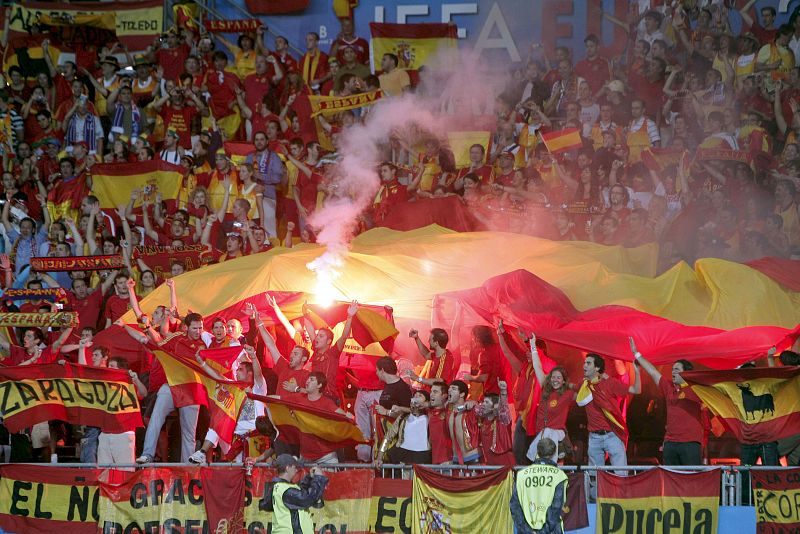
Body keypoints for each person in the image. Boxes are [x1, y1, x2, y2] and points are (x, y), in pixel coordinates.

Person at [189, 344, 267, 463]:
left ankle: (203, 452)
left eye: (240, 370)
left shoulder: (258, 388)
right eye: (237, 370)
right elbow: (218, 376)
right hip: (236, 439)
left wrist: (253, 357)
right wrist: (202, 363)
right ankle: (202, 452)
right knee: (219, 418)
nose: (236, 372)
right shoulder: (233, 386)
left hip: (255, 437)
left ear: (249, 373)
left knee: (255, 473)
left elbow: (258, 374)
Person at [578, 352, 640, 499]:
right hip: (594, 437)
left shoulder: (610, 383)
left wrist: (637, 371)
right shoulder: (585, 386)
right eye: (584, 362)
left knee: (621, 474)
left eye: (588, 363)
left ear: (597, 368)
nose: (584, 365)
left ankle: (622, 503)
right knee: (594, 477)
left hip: (612, 435)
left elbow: (637, 390)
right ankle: (595, 508)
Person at [633, 337, 705, 465]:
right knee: (671, 479)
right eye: (672, 369)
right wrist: (637, 354)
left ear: (687, 373)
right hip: (670, 443)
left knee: (690, 479)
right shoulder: (668, 387)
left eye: (677, 370)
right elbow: (653, 372)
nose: (673, 372)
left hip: (690, 444)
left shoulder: (697, 389)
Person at [510, 437, 568, 534]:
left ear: (538, 452)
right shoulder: (558, 475)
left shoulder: (521, 475)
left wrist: (527, 531)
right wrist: (543, 531)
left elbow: (515, 506)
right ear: (553, 453)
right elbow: (556, 508)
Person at [259, 454, 328, 534]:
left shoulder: (277, 487)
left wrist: (309, 478)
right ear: (287, 468)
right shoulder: (286, 490)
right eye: (294, 467)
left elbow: (298, 493)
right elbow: (307, 499)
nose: (296, 470)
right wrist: (319, 478)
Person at [377, 390, 431, 469]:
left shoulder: (430, 417)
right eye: (415, 395)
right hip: (403, 456)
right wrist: (379, 457)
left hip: (423, 458)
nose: (416, 397)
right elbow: (388, 437)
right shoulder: (403, 417)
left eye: (420, 396)